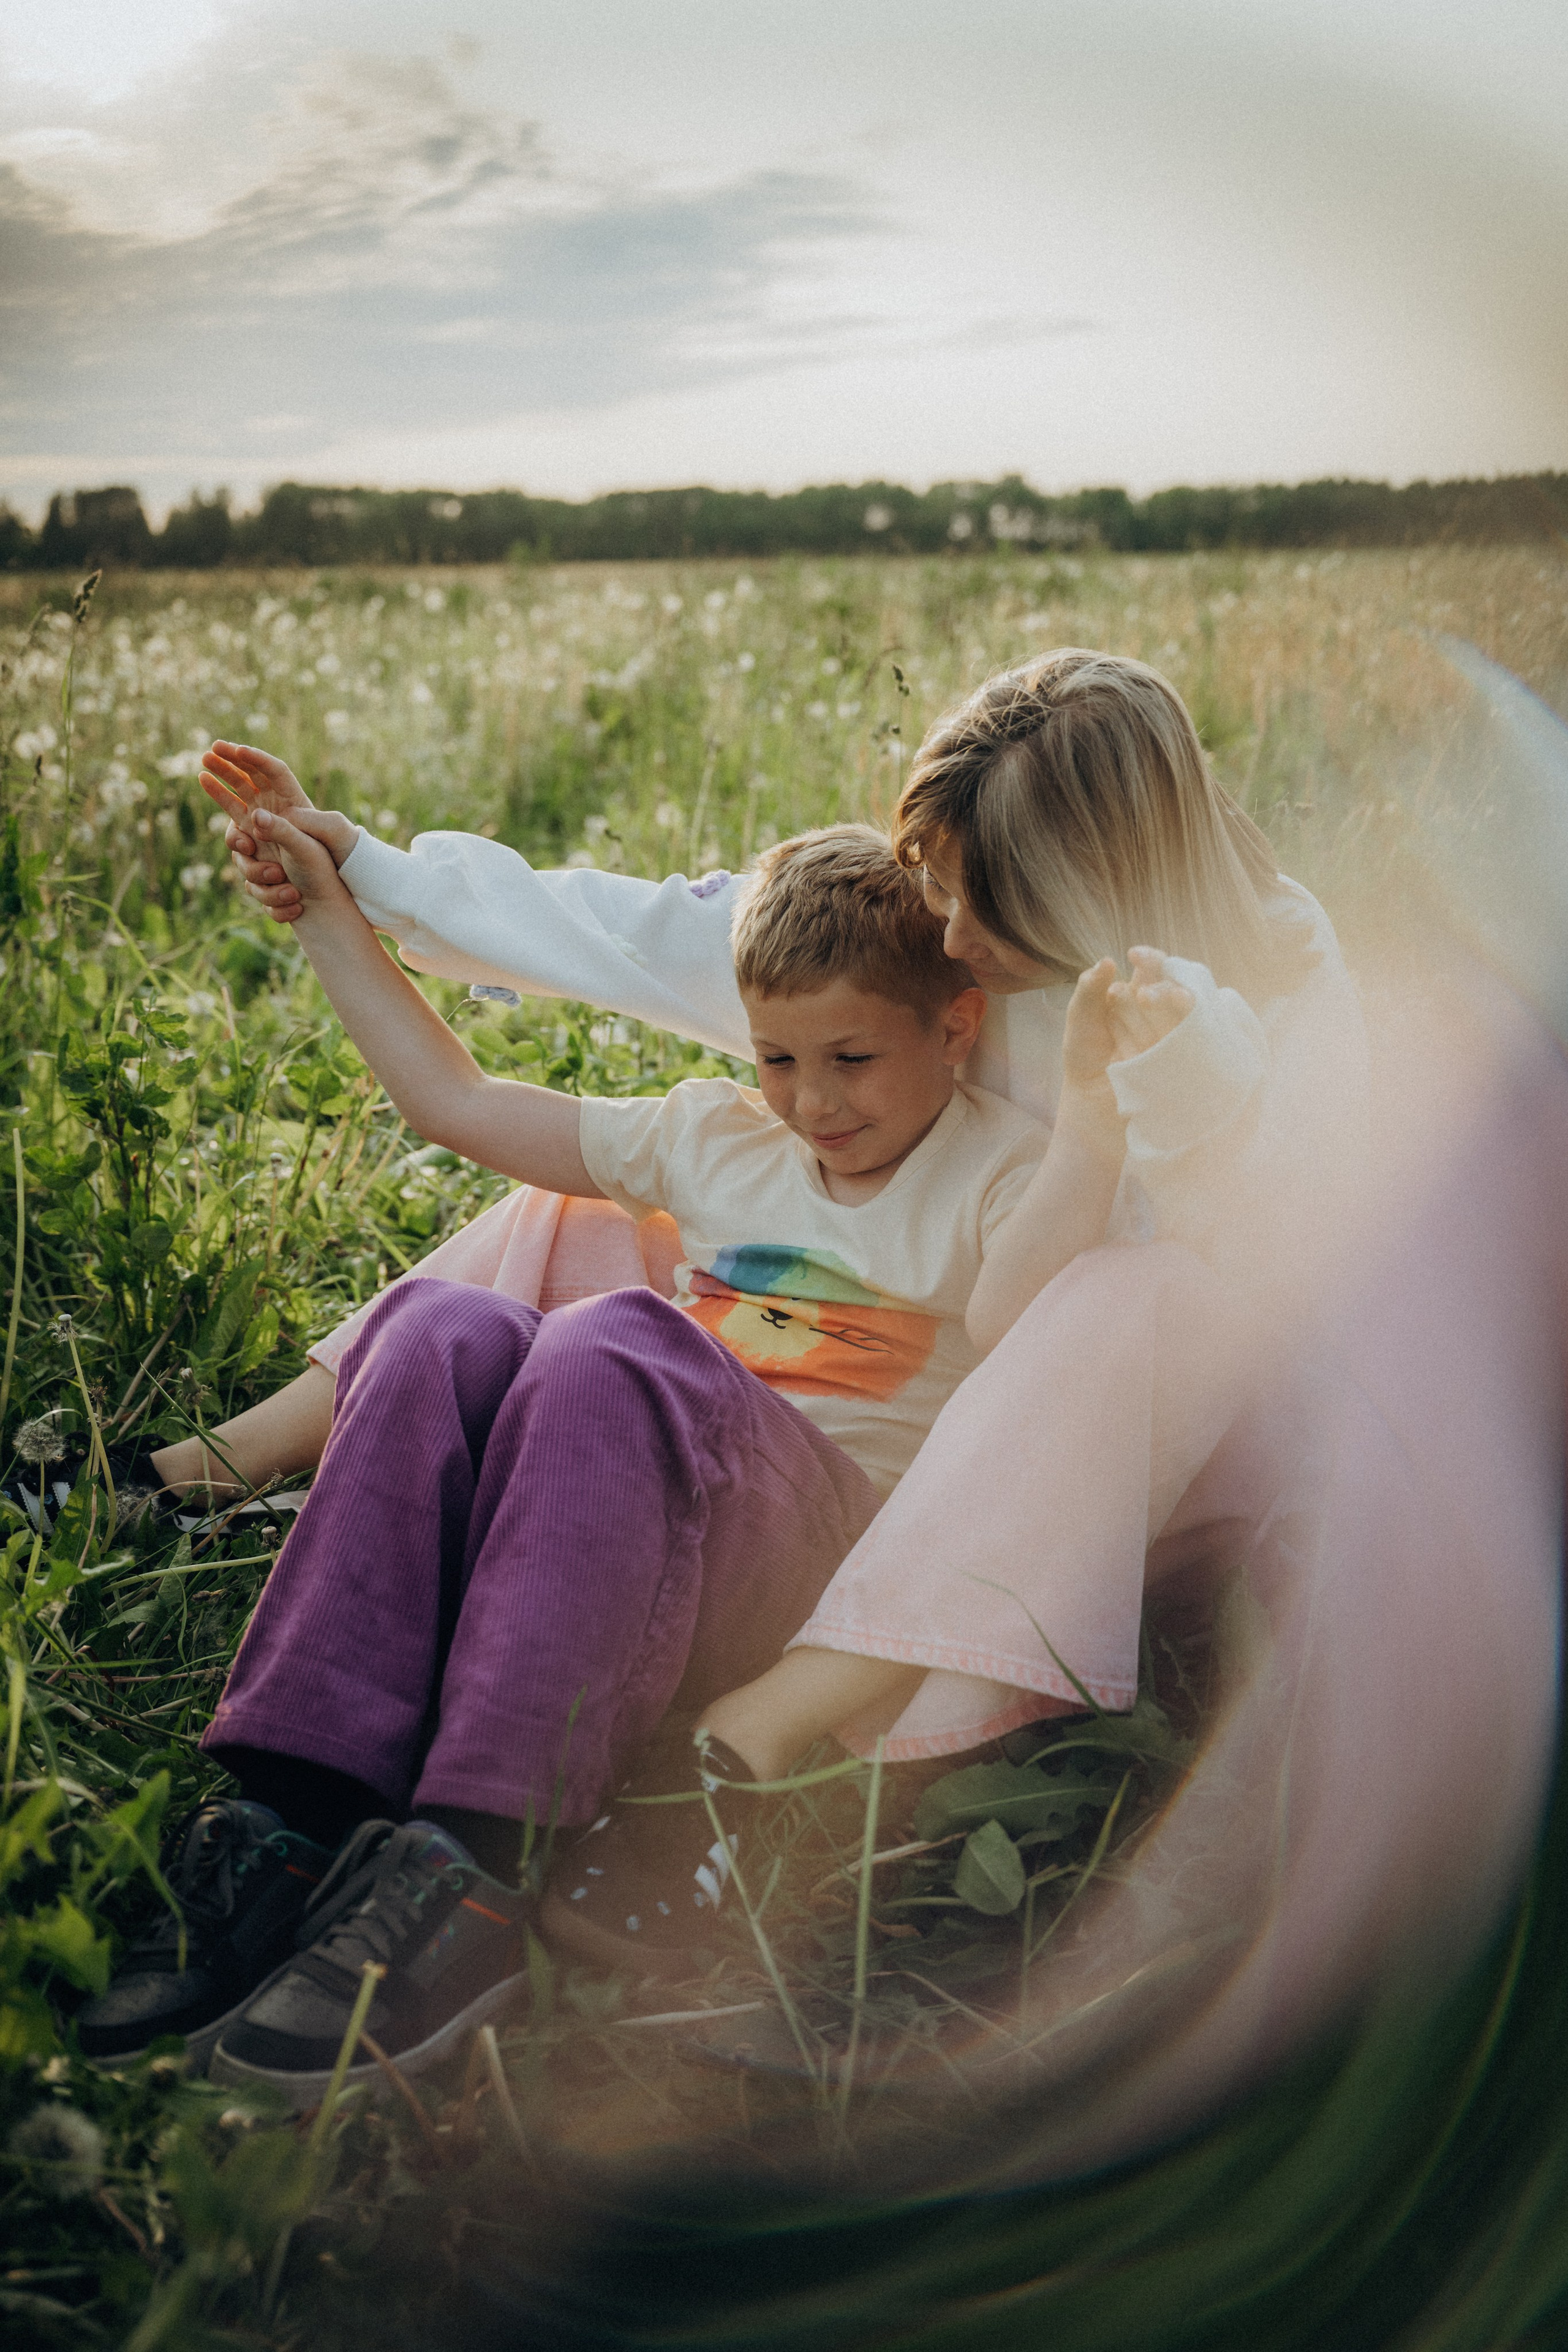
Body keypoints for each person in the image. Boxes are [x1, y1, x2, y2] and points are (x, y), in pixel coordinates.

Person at [188, 653, 1362, 1987]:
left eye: (982, 905)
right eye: (940, 882)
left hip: (1014, 1430)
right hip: (778, 1342)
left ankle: (554, 1813)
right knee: (506, 1288)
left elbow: (1245, 1267)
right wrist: (365, 882)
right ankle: (285, 1726)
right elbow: (627, 943)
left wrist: (1144, 1086)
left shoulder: (1226, 1026)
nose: (949, 928)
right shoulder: (837, 1026)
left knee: (636, 1345)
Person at [77, 820, 1063, 2103]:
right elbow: (457, 1105)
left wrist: (1099, 1093)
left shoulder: (998, 1176)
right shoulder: (716, 1139)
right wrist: (327, 916)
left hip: (801, 1563)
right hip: (620, 1522)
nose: (812, 1103)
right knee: (434, 1325)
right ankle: (291, 1816)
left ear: (956, 1027)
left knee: (614, 1339)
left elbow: (1040, 1310)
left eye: (851, 1060)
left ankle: (469, 1866)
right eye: (775, 1057)